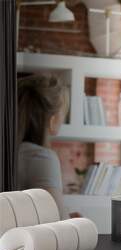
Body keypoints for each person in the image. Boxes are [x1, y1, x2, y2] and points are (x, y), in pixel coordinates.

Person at [17, 74, 79, 219]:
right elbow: (57, 225)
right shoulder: (41, 157)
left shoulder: (15, 153)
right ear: (53, 121)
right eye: (63, 114)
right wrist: (76, 223)